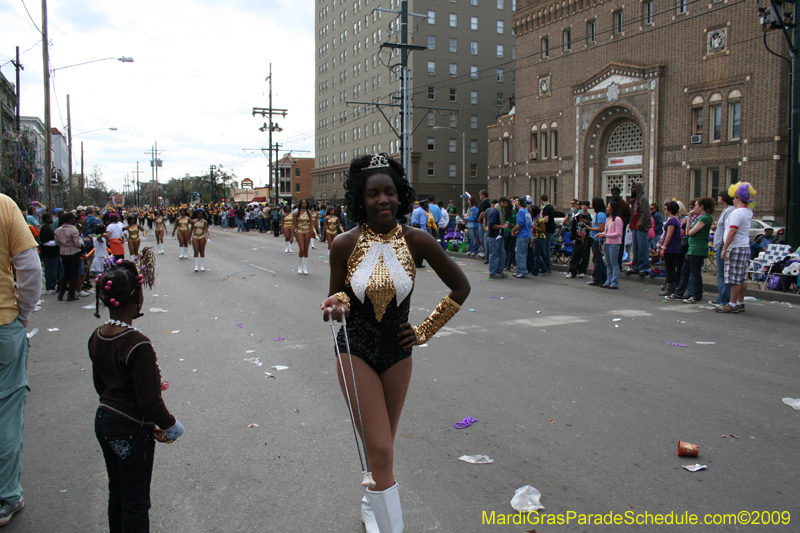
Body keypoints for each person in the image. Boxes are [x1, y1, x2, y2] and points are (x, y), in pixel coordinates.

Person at [321, 154, 469, 533]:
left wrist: (424, 330)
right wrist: (335, 303)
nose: (383, 200)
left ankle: (373, 501)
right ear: (361, 199)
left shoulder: (418, 240)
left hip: (398, 351)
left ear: (400, 196)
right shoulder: (343, 243)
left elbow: (460, 286)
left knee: (383, 444)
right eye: (373, 194)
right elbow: (337, 295)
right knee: (382, 449)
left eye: (390, 192)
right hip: (355, 349)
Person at [90, 260, 184, 532]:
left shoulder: (98, 335)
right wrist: (172, 426)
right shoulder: (137, 343)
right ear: (136, 297)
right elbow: (149, 401)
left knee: (118, 493)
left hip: (105, 421)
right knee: (136, 502)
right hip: (130, 428)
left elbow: (101, 386)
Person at [0, 194, 42, 528]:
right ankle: (6, 496)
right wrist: (23, 313)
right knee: (5, 415)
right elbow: (29, 268)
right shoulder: (3, 205)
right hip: (2, 325)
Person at [717, 183, 756, 313]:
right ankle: (740, 302)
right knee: (742, 277)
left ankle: (732, 304)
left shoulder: (737, 213)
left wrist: (725, 248)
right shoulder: (748, 211)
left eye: (734, 197)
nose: (733, 200)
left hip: (735, 247)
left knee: (734, 278)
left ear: (739, 198)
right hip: (744, 246)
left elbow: (732, 231)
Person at [668, 197, 715, 303]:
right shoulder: (699, 218)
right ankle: (679, 293)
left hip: (698, 248)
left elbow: (692, 232)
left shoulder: (705, 218)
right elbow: (687, 230)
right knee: (685, 271)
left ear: (702, 206)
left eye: (697, 205)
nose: (695, 208)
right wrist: (689, 217)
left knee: (695, 273)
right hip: (692, 248)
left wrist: (689, 227)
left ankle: (696, 295)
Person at [709, 192, 734, 307]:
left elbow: (728, 229)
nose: (718, 197)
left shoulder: (730, 211)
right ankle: (721, 298)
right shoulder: (726, 210)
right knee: (720, 274)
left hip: (723, 245)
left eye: (719, 196)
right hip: (719, 244)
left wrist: (723, 245)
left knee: (724, 274)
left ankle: (724, 299)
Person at [55, 212, 84, 301]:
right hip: (73, 253)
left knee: (65, 274)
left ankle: (61, 294)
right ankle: (71, 295)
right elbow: (76, 243)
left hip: (63, 253)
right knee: (73, 274)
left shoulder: (58, 230)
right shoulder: (73, 230)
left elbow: (56, 243)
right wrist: (81, 244)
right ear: (70, 220)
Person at [658, 202, 684, 297]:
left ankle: (670, 288)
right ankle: (671, 287)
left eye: (665, 208)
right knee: (670, 268)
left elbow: (669, 235)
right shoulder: (674, 220)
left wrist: (663, 247)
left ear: (670, 210)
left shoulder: (672, 221)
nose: (664, 210)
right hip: (673, 248)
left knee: (670, 269)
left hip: (671, 248)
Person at [627, 182, 651, 276]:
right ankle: (635, 267)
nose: (633, 189)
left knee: (642, 248)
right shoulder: (634, 199)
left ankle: (644, 267)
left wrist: (640, 225)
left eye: (634, 187)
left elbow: (646, 214)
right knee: (635, 249)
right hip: (635, 228)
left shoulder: (643, 199)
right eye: (632, 187)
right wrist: (630, 223)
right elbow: (632, 213)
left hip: (641, 228)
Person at [596, 201, 622, 289]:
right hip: (607, 243)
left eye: (609, 207)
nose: (607, 208)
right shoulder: (608, 219)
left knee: (614, 263)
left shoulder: (617, 219)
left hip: (614, 244)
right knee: (608, 263)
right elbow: (606, 231)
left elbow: (618, 233)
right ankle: (608, 281)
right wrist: (601, 234)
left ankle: (614, 282)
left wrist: (605, 235)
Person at [566, 201, 592, 278]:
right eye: (583, 205)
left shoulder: (590, 217)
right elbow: (573, 228)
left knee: (585, 256)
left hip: (586, 239)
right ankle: (572, 271)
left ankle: (582, 271)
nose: (584, 207)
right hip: (578, 239)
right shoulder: (577, 217)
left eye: (585, 205)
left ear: (588, 207)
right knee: (575, 255)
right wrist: (573, 238)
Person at [487, 197, 510, 279]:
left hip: (500, 236)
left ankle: (500, 271)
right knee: (494, 254)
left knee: (502, 254)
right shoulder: (495, 211)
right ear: (501, 202)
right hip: (494, 236)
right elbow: (492, 225)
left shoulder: (501, 210)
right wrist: (503, 226)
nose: (507, 205)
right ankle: (493, 273)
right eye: (506, 203)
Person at [587, 197, 607, 287]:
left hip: (598, 239)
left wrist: (590, 228)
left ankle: (598, 278)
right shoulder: (597, 214)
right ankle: (602, 277)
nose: (591, 205)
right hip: (594, 238)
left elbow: (601, 228)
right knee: (598, 259)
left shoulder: (601, 215)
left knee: (597, 260)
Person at [39, 213, 61, 294]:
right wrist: (56, 242)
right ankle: (50, 286)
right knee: (51, 270)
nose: (52, 220)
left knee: (56, 270)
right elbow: (45, 242)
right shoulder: (44, 229)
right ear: (47, 219)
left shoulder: (48, 227)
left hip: (54, 253)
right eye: (51, 218)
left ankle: (56, 284)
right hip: (49, 254)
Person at [511, 197, 532, 278]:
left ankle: (522, 270)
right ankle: (520, 270)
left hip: (522, 235)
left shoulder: (521, 211)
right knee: (523, 253)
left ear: (519, 203)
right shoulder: (527, 211)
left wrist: (513, 230)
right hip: (527, 234)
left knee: (520, 254)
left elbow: (520, 223)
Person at [293, 199, 313, 275]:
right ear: (300, 204)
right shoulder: (296, 213)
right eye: (303, 203)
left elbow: (311, 223)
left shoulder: (309, 212)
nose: (304, 204)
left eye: (305, 203)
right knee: (301, 249)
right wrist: (291, 235)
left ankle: (305, 268)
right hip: (299, 231)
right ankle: (300, 266)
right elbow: (294, 224)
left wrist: (312, 231)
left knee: (306, 250)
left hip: (307, 231)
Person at [539, 194, 556, 274]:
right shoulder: (551, 207)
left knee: (546, 248)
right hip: (551, 229)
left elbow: (546, 219)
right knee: (547, 247)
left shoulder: (546, 208)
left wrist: (539, 220)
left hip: (547, 230)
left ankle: (547, 265)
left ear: (542, 200)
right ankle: (547, 264)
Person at [476, 190, 491, 260]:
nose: (480, 196)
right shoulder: (489, 201)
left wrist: (479, 219)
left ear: (483, 195)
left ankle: (484, 251)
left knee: (482, 237)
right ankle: (485, 251)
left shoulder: (485, 202)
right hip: (485, 222)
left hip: (482, 222)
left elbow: (483, 212)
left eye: (480, 195)